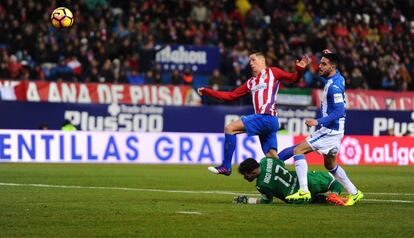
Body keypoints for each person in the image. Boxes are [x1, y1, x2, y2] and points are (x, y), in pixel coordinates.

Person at [197, 52, 311, 176]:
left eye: (253, 60)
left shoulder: (273, 72)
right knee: (273, 159)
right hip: (269, 122)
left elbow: (293, 78)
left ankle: (226, 166)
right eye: (250, 61)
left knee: (230, 128)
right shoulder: (251, 82)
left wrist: (300, 70)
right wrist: (208, 91)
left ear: (262, 61)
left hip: (266, 117)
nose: (250, 63)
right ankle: (307, 145)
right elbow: (231, 96)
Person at [278, 50, 363, 206]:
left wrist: (318, 121)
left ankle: (303, 191)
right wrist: (332, 54)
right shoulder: (338, 78)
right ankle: (355, 193)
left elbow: (339, 111)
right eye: (321, 63)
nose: (320, 67)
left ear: (332, 67)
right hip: (336, 130)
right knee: (330, 165)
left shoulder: (334, 87)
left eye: (324, 64)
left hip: (330, 130)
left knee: (298, 151)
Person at [234, 157, 346, 206]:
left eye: (246, 174)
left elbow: (266, 202)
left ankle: (327, 198)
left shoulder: (261, 184)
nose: (245, 177)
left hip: (297, 198)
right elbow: (281, 162)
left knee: (315, 200)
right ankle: (334, 194)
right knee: (334, 179)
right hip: (303, 181)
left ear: (253, 172)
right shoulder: (266, 160)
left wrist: (248, 200)